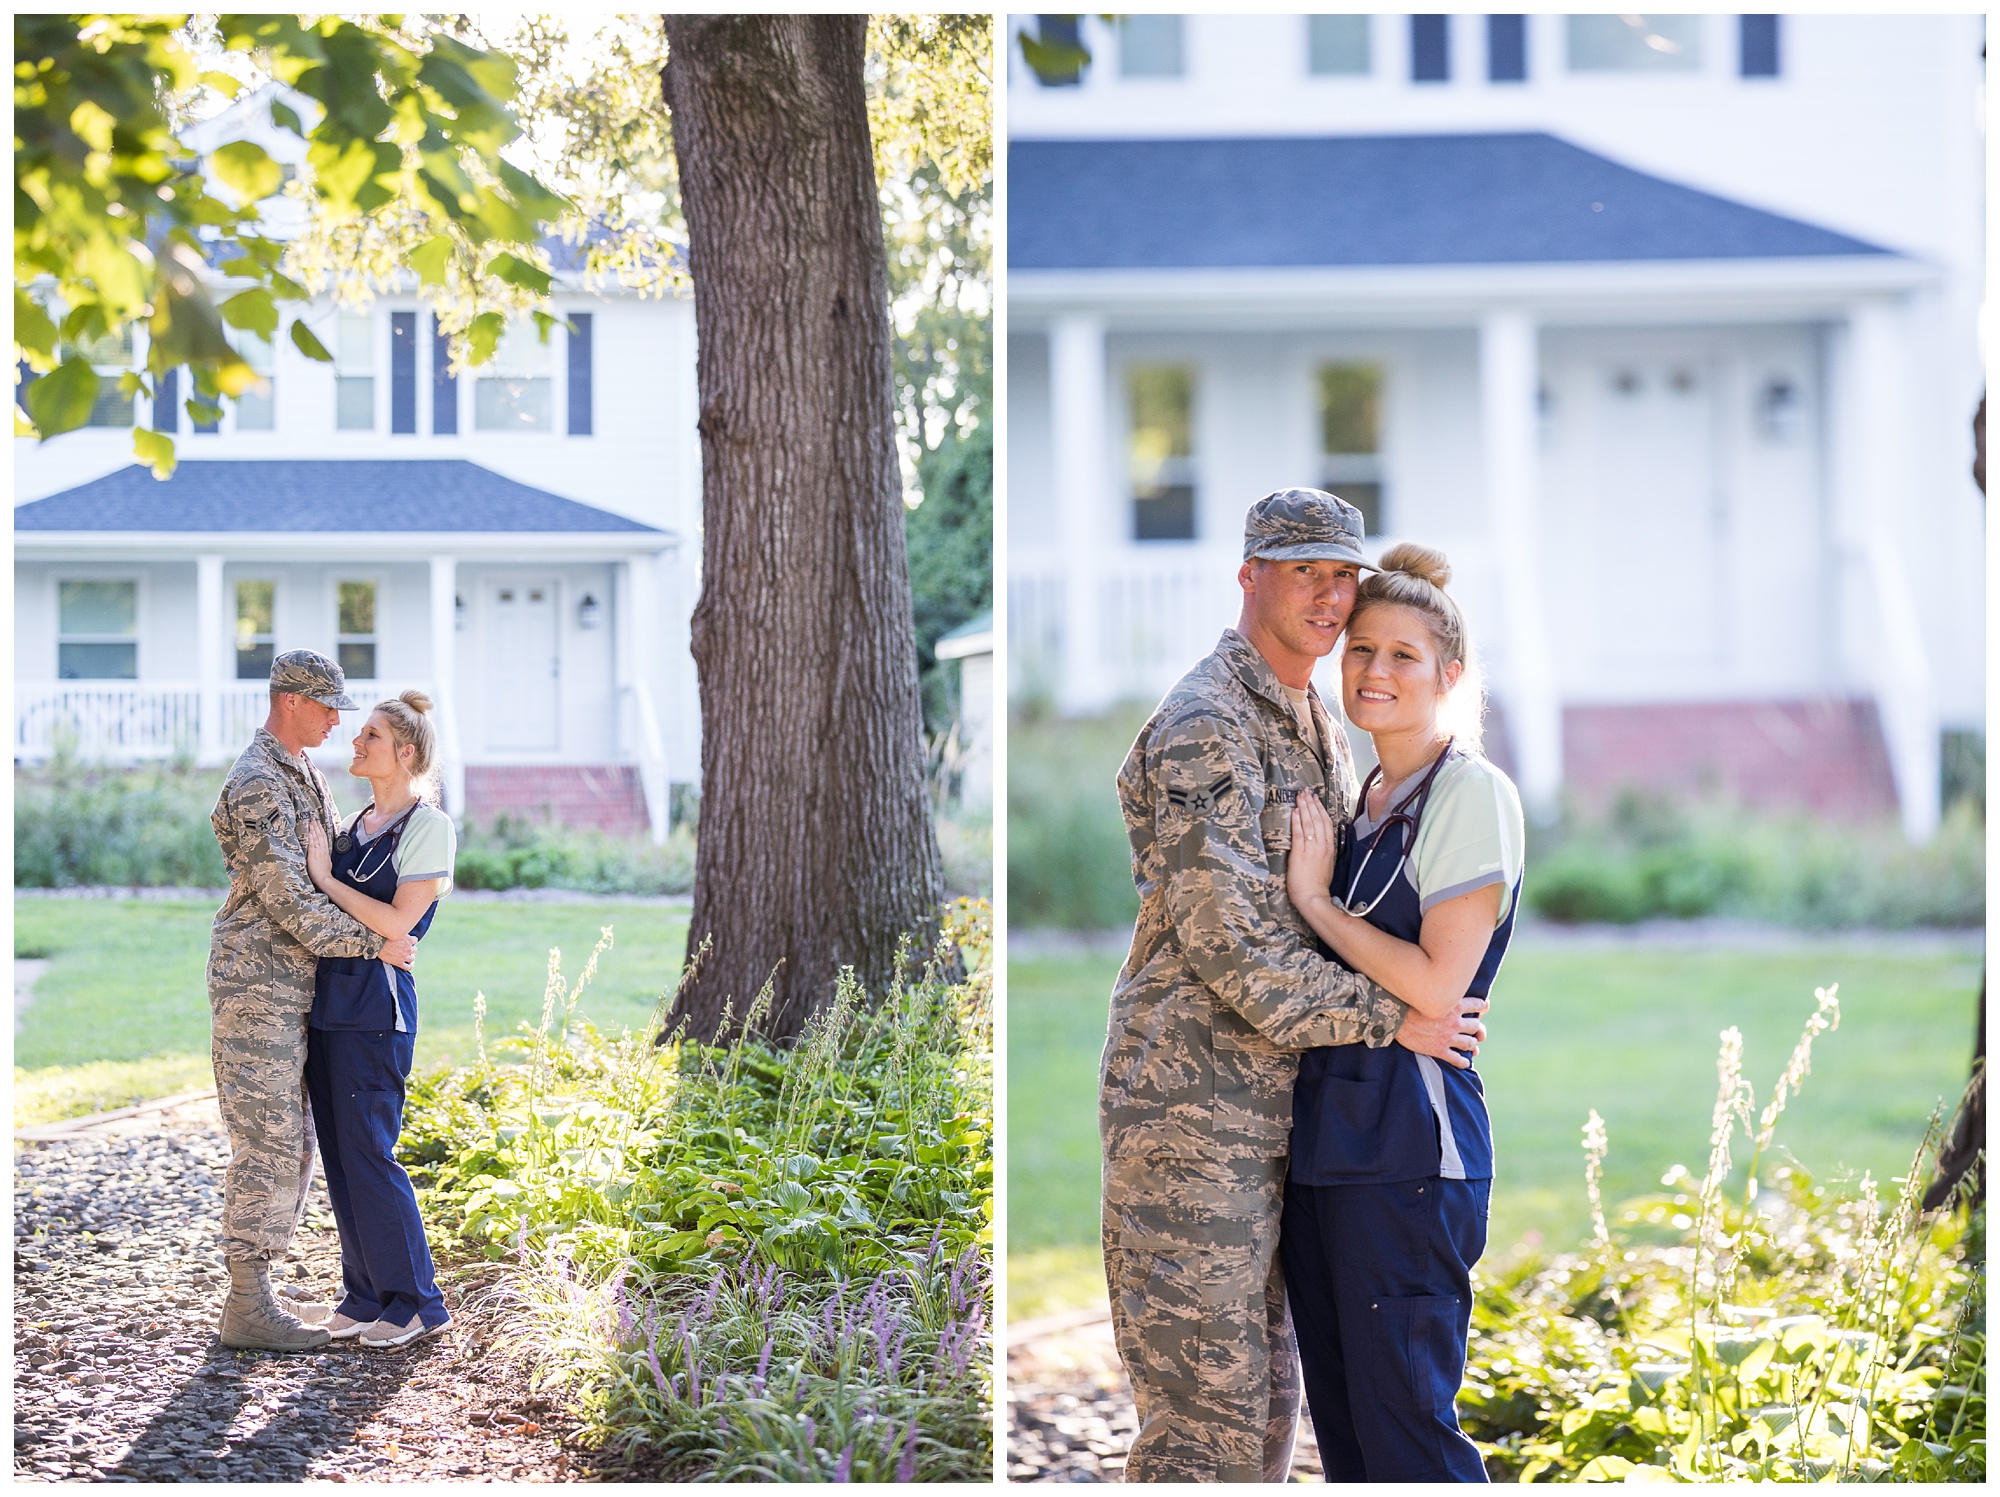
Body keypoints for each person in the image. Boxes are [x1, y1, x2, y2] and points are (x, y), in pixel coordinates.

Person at [1102, 489, 1492, 1483]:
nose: (1328, 598)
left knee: (1271, 1405)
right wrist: (1393, 1018)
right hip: (1192, 1117)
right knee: (1204, 1425)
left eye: (1340, 577)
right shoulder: (1206, 723)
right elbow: (1230, 945)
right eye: (1303, 571)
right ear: (1249, 577)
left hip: (1283, 1115)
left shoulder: (1310, 717)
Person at [1281, 543, 1526, 1483]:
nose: (1376, 672)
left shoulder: (1470, 793)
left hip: (1411, 1158)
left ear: (1449, 675)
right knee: (1349, 1441)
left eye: (1404, 656)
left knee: (1408, 1434)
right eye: (1362, 650)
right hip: (1328, 1154)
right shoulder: (1366, 798)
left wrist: (1316, 904)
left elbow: (1437, 985)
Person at [208, 649, 418, 1351]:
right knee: (266, 1140)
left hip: (300, 985)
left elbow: (332, 872)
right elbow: (293, 900)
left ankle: (256, 1286)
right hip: (257, 986)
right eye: (327, 706)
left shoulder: (306, 774)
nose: (337, 720)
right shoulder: (259, 782)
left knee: (293, 1140)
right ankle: (245, 1301)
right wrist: (377, 942)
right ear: (289, 700)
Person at [300, 690, 458, 1349]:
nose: (355, 743)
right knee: (340, 1156)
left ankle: (418, 1301)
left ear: (407, 752)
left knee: (370, 1149)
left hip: (378, 1009)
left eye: (370, 735)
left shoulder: (429, 826)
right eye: (358, 732)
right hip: (328, 1005)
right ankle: (366, 1295)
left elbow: (396, 922)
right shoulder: (354, 823)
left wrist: (321, 875)